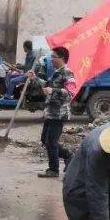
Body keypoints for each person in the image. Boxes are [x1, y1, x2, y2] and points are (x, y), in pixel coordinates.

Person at [28, 46, 76, 178]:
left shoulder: (67, 72)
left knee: (51, 141)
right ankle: (68, 155)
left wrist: (54, 91)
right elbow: (47, 85)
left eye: (54, 57)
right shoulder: (56, 72)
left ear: (62, 58)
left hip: (59, 113)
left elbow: (71, 92)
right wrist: (34, 79)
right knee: (45, 140)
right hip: (50, 111)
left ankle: (53, 170)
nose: (52, 59)